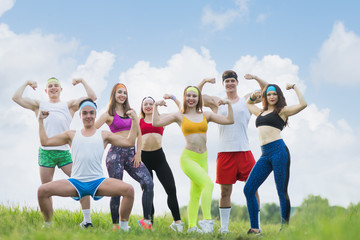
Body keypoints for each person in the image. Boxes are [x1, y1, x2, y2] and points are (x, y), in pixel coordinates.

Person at [37, 99, 137, 231]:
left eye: (91, 113)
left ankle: (124, 228)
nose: (88, 116)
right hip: (76, 182)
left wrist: (135, 121)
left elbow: (130, 142)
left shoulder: (104, 135)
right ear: (80, 115)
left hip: (98, 182)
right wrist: (40, 121)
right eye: (85, 113)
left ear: (95, 115)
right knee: (42, 191)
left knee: (129, 190)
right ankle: (48, 226)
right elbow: (45, 142)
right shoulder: (71, 134)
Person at [12, 77, 97, 227]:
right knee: (46, 188)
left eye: (55, 85)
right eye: (50, 86)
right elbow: (16, 98)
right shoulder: (39, 105)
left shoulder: (68, 105)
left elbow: (92, 97)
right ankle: (48, 224)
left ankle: (87, 221)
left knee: (82, 182)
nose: (53, 88)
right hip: (46, 152)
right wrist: (26, 83)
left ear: (60, 89)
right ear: (46, 90)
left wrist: (83, 81)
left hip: (64, 152)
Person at [152, 85, 234, 233]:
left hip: (203, 158)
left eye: (194, 96)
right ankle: (207, 220)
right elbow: (156, 123)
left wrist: (229, 105)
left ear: (198, 98)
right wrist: (156, 107)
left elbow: (229, 120)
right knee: (208, 184)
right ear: (184, 98)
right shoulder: (179, 115)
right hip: (188, 158)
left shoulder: (206, 115)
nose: (191, 98)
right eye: (188, 96)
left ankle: (192, 227)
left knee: (195, 194)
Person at [197, 71, 267, 233]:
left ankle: (256, 227)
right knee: (225, 192)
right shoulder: (217, 102)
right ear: (223, 84)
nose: (229, 83)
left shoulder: (246, 100)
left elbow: (267, 91)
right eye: (227, 81)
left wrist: (256, 77)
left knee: (253, 188)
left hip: (244, 152)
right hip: (224, 153)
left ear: (237, 83)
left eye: (232, 81)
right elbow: (195, 96)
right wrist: (204, 80)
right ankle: (224, 228)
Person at [244, 82, 307, 234]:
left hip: (279, 152)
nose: (271, 96)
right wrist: (253, 95)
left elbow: (303, 104)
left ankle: (284, 229)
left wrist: (294, 87)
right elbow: (248, 103)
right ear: (265, 96)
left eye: (274, 94)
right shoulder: (259, 112)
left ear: (278, 96)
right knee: (249, 189)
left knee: (281, 191)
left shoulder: (283, 111)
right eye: (269, 94)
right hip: (265, 154)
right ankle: (255, 229)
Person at [95, 83, 154, 231]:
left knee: (148, 183)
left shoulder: (132, 112)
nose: (122, 95)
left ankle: (146, 221)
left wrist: (138, 153)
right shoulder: (108, 114)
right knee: (116, 191)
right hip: (115, 155)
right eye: (119, 92)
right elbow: (93, 130)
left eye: (125, 93)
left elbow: (139, 135)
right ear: (114, 94)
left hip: (132, 155)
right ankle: (116, 225)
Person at [139, 94, 184, 232]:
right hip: (143, 158)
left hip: (159, 158)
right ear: (142, 107)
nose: (148, 106)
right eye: (145, 104)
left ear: (155, 105)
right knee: (148, 191)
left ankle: (177, 222)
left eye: (150, 104)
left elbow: (181, 111)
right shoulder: (138, 120)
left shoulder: (162, 118)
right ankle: (148, 223)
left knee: (171, 188)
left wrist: (173, 97)